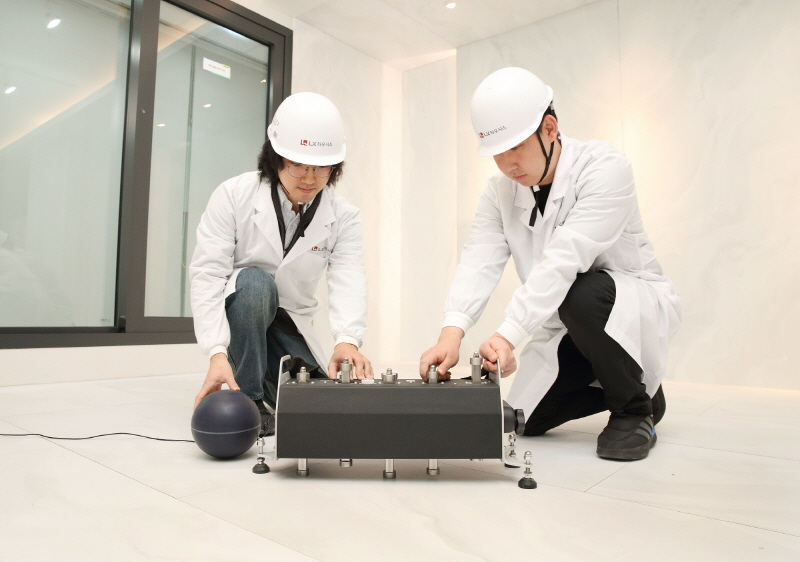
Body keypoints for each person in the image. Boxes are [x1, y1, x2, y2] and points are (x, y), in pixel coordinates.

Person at [419, 67, 681, 461]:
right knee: (526, 420)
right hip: (567, 323)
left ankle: (634, 408)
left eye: (516, 147)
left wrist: (507, 336)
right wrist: (450, 335)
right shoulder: (499, 192)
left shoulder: (605, 168)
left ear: (550, 128)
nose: (508, 164)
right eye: (497, 153)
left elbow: (565, 259)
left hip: (621, 308)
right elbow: (479, 260)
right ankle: (636, 383)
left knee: (582, 291)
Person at [190, 92, 373, 435]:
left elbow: (349, 275)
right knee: (255, 284)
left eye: (321, 167)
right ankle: (250, 398)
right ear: (275, 159)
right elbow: (208, 273)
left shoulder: (344, 216)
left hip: (290, 319)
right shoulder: (233, 195)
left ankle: (267, 379)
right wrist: (216, 351)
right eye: (297, 165)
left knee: (316, 401)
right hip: (245, 307)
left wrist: (347, 339)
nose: (309, 178)